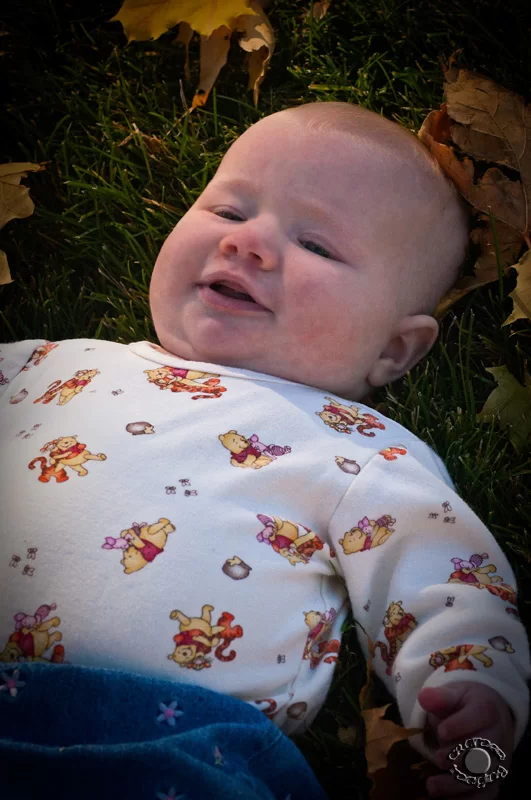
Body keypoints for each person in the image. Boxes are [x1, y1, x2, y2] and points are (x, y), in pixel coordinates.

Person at [0, 101, 529, 799]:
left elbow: (443, 585)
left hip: (177, 745)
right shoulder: (49, 365)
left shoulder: (360, 449)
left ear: (394, 349)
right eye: (226, 211)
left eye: (316, 246)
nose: (247, 243)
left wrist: (469, 693)